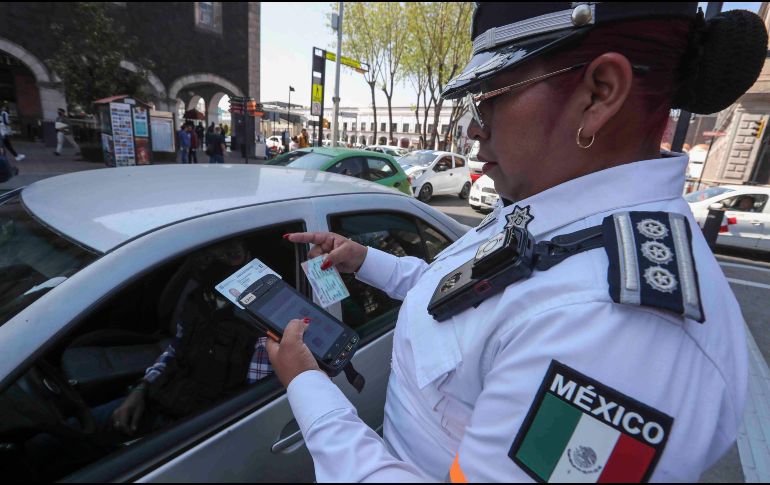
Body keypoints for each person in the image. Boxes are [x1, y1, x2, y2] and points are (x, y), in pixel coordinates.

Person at [268, 3, 767, 482]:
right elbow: (465, 300)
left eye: (490, 96)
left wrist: (310, 391)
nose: (473, 128)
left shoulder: (617, 331)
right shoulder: (554, 207)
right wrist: (364, 260)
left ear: (600, 93)